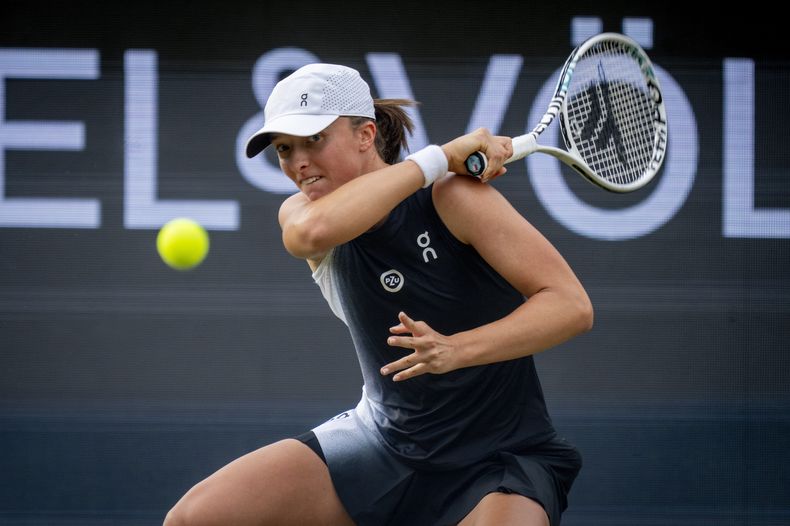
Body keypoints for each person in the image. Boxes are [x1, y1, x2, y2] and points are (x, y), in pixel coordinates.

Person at [164, 63, 593, 526]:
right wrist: (438, 157)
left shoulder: (454, 199)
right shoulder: (304, 214)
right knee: (194, 519)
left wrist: (458, 349)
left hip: (499, 456)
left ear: (366, 134)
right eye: (285, 149)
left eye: (314, 139)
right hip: (383, 445)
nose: (298, 162)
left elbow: (570, 305)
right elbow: (313, 231)